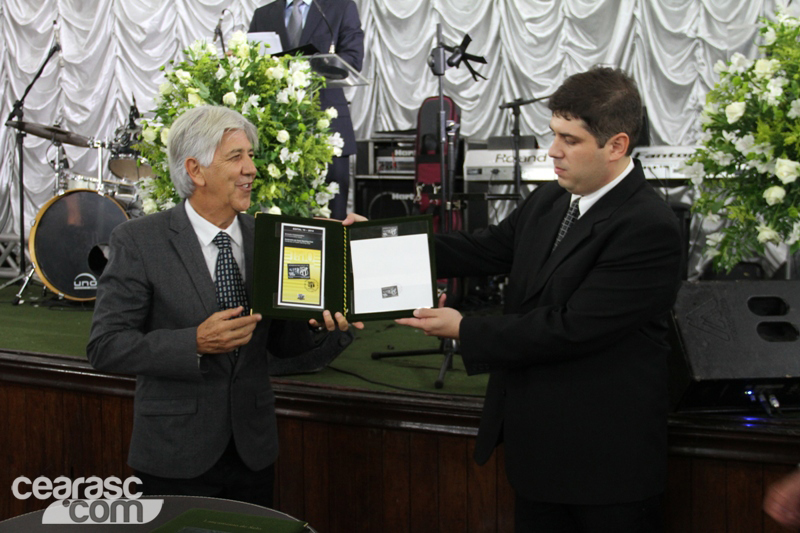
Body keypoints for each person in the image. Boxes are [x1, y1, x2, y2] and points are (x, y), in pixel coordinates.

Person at [394, 67, 683, 532]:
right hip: (539, 461)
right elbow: (483, 249)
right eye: (553, 135)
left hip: (605, 471)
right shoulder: (551, 199)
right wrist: (379, 240)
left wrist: (464, 329)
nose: (553, 151)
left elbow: (571, 328)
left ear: (617, 146)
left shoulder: (648, 226)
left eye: (570, 139)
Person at [86, 105, 357, 507]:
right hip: (174, 455)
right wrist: (193, 342)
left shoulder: (271, 237)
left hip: (254, 451)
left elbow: (283, 344)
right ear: (195, 171)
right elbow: (105, 346)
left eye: (251, 156)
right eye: (236, 157)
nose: (251, 168)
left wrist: (317, 323)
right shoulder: (139, 241)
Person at [249, 0, 364, 219]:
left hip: (327, 127)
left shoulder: (340, 7)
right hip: (276, 127)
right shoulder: (263, 14)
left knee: (331, 215)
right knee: (276, 215)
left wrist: (301, 68)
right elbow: (251, 63)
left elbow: (353, 59)